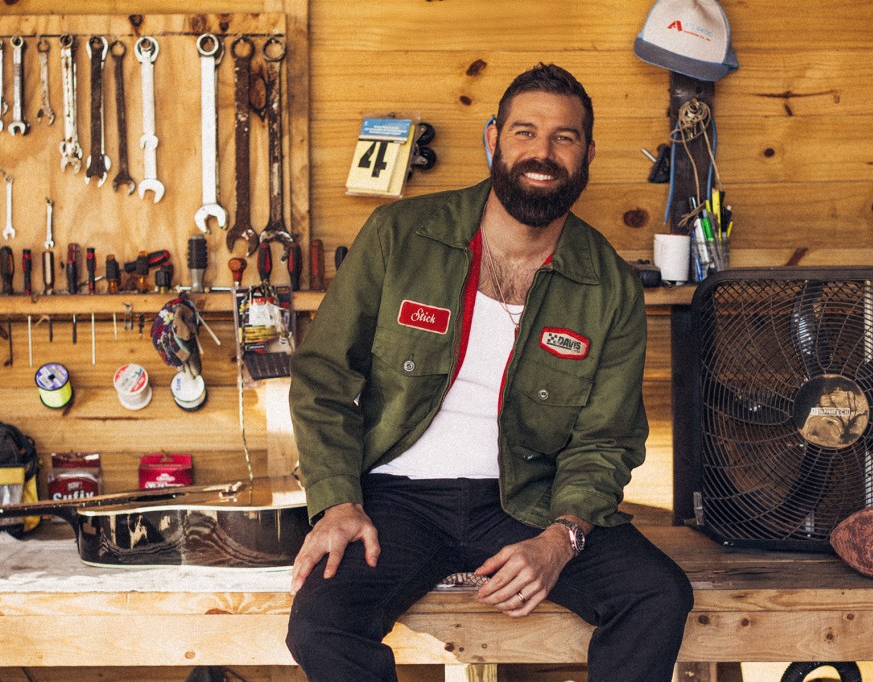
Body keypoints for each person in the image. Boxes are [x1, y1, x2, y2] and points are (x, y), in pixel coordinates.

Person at [286, 63, 693, 682]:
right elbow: (323, 377)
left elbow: (606, 438)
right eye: (525, 132)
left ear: (587, 154)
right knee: (321, 624)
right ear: (493, 139)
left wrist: (561, 538)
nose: (542, 152)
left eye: (564, 137)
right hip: (396, 498)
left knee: (657, 595)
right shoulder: (401, 236)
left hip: (530, 498)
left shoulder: (608, 283)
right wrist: (337, 502)